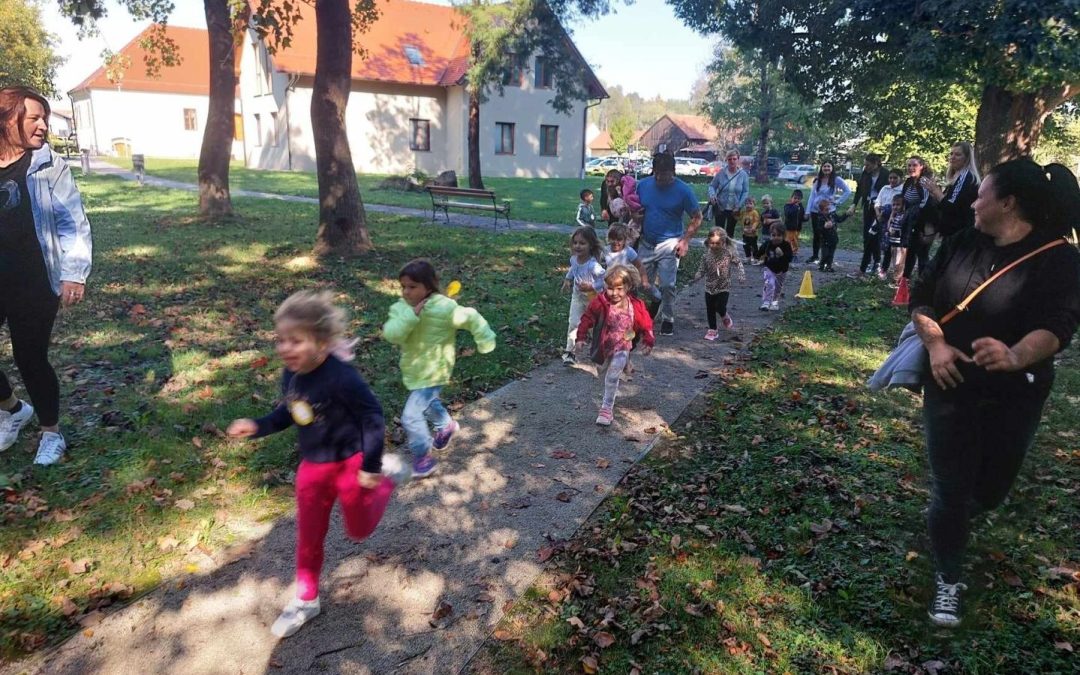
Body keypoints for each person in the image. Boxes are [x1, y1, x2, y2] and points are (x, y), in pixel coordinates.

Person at [908, 159, 1080, 628]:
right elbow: (921, 297)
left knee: (991, 489)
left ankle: (955, 518)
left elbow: (1059, 326)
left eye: (980, 194)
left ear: (1008, 203)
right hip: (950, 387)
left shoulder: (1059, 257)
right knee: (951, 489)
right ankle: (948, 576)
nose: (972, 201)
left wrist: (1016, 355)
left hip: (1017, 395)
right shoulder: (962, 242)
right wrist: (937, 345)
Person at [226, 290, 406, 638]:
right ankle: (306, 599)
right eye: (280, 340)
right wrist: (258, 426)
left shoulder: (342, 377)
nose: (284, 348)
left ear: (321, 343)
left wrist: (370, 466)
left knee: (358, 530)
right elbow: (288, 413)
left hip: (352, 465)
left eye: (295, 340)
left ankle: (386, 478)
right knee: (308, 537)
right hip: (313, 469)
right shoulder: (291, 376)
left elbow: (372, 415)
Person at [0, 86, 92, 466]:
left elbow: (72, 221)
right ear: (8, 119)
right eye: (33, 118)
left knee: (30, 357)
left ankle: (51, 433)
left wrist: (74, 274)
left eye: (45, 119)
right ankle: (13, 408)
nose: (42, 126)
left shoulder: (48, 164)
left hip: (34, 280)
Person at [382, 260, 496, 476]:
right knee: (428, 402)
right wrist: (411, 315)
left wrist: (485, 339)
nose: (406, 291)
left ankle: (423, 457)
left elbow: (471, 317)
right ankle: (446, 426)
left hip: (435, 370)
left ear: (428, 286)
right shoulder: (401, 308)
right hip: (414, 370)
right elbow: (392, 334)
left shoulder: (444, 308)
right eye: (403, 286)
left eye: (412, 287)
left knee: (411, 416)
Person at [575, 265, 655, 426]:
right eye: (610, 288)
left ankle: (606, 409)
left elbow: (646, 322)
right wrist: (581, 337)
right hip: (603, 346)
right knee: (603, 374)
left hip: (623, 345)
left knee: (612, 377)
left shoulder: (635, 305)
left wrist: (648, 339)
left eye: (619, 288)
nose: (614, 293)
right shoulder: (600, 302)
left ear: (628, 287)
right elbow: (587, 317)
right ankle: (625, 363)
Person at [635, 153, 704, 336]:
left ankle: (668, 317)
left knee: (668, 284)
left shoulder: (683, 191)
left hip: (670, 242)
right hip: (646, 242)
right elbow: (634, 209)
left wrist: (685, 240)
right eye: (656, 173)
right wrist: (634, 217)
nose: (659, 178)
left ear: (672, 172)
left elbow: (697, 217)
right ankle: (656, 299)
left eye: (664, 174)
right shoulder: (643, 185)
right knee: (641, 283)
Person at [560, 226, 606, 363]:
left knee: (594, 327)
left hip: (593, 299)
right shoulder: (574, 259)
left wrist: (592, 286)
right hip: (578, 297)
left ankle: (600, 349)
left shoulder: (593, 265)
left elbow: (605, 280)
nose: (577, 246)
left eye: (582, 243)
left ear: (591, 245)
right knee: (574, 322)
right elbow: (573, 269)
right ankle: (570, 353)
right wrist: (567, 280)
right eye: (575, 243)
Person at [694, 228, 745, 340]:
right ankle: (713, 329)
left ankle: (724, 315)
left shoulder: (728, 254)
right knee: (710, 308)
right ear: (708, 241)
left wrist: (741, 274)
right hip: (709, 287)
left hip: (724, 286)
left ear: (723, 242)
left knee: (720, 306)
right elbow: (701, 270)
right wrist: (697, 276)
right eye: (712, 243)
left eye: (718, 243)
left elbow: (739, 263)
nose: (714, 245)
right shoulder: (706, 256)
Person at [922, 142, 980, 237]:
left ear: (967, 158)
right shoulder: (954, 178)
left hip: (960, 233)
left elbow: (951, 207)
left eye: (958, 155)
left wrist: (936, 191)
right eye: (951, 154)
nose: (952, 157)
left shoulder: (965, 177)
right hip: (949, 233)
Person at [805, 161, 852, 264]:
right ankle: (815, 256)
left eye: (828, 166)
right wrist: (807, 211)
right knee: (817, 234)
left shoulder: (836, 179)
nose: (826, 168)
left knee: (828, 235)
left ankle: (826, 259)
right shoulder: (818, 180)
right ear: (821, 168)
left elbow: (848, 191)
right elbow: (812, 196)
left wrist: (837, 202)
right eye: (824, 166)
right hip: (816, 211)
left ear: (832, 168)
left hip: (829, 211)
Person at [900, 156, 938, 280]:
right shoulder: (909, 182)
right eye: (909, 165)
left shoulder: (925, 182)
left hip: (925, 224)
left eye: (914, 165)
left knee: (922, 253)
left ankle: (923, 282)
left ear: (921, 166)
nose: (911, 168)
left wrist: (927, 228)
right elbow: (903, 200)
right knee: (910, 252)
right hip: (912, 223)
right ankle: (905, 281)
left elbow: (927, 204)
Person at [850, 154, 889, 276]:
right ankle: (868, 263)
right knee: (867, 235)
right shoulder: (865, 174)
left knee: (875, 235)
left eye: (868, 165)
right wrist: (854, 204)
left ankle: (876, 263)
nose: (865, 167)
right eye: (865, 164)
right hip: (868, 206)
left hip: (880, 208)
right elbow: (860, 189)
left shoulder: (885, 174)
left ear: (876, 163)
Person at [708, 149, 750, 239]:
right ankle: (719, 251)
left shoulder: (743, 175)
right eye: (729, 159)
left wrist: (739, 205)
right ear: (726, 160)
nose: (732, 161)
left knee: (730, 232)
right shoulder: (721, 173)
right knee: (719, 232)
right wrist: (712, 195)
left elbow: (745, 191)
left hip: (735, 208)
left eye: (734, 159)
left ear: (738, 160)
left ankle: (729, 251)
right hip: (720, 206)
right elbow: (712, 186)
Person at [755, 223, 793, 310]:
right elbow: (760, 250)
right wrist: (756, 255)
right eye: (773, 235)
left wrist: (782, 254)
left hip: (782, 270)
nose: (776, 237)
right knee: (769, 283)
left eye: (779, 235)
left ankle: (774, 302)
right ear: (770, 235)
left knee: (777, 287)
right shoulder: (768, 243)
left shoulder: (786, 245)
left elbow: (789, 258)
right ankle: (766, 302)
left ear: (783, 236)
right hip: (769, 268)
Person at [603, 223, 649, 292]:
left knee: (628, 300)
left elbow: (639, 266)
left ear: (624, 240)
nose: (615, 242)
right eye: (612, 238)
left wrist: (644, 280)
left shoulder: (628, 251)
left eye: (619, 239)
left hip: (627, 283)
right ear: (609, 238)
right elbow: (601, 267)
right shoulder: (606, 250)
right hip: (611, 282)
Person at [816, 198, 848, 272]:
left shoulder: (832, 215)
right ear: (821, 211)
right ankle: (821, 265)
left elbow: (840, 219)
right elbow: (819, 229)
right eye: (826, 210)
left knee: (831, 254)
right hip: (825, 240)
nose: (828, 211)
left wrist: (846, 214)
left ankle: (829, 266)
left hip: (833, 239)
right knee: (825, 254)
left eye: (829, 209)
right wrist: (824, 226)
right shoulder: (820, 218)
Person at [883, 193, 907, 281]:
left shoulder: (903, 215)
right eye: (893, 205)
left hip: (899, 242)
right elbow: (889, 225)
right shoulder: (894, 215)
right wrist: (889, 229)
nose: (895, 207)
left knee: (898, 260)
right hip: (892, 241)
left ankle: (898, 276)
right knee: (890, 257)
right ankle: (890, 273)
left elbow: (902, 228)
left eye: (898, 205)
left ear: (903, 205)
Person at [783, 189, 807, 260]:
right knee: (788, 241)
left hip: (797, 228)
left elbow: (801, 217)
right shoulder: (788, 206)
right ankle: (787, 253)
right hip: (789, 228)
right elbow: (788, 214)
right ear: (791, 198)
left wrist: (806, 218)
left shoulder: (801, 206)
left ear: (801, 199)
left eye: (798, 199)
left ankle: (794, 254)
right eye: (795, 198)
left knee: (795, 241)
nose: (796, 200)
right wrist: (795, 207)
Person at [738, 196, 761, 264]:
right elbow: (740, 219)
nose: (748, 205)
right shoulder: (744, 212)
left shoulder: (754, 212)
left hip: (753, 234)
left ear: (754, 205)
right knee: (745, 246)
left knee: (754, 246)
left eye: (750, 203)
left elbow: (757, 221)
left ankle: (756, 258)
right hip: (745, 233)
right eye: (746, 204)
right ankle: (748, 257)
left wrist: (753, 227)